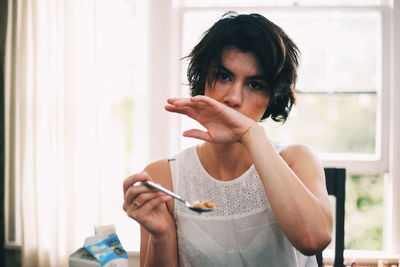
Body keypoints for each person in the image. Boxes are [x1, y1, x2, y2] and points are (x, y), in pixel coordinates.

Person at [123, 12, 332, 267]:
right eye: (224, 76)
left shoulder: (296, 160)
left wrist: (251, 134)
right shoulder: (163, 176)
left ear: (271, 98)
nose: (233, 97)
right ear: (202, 80)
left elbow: (313, 239)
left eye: (255, 85)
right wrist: (161, 234)